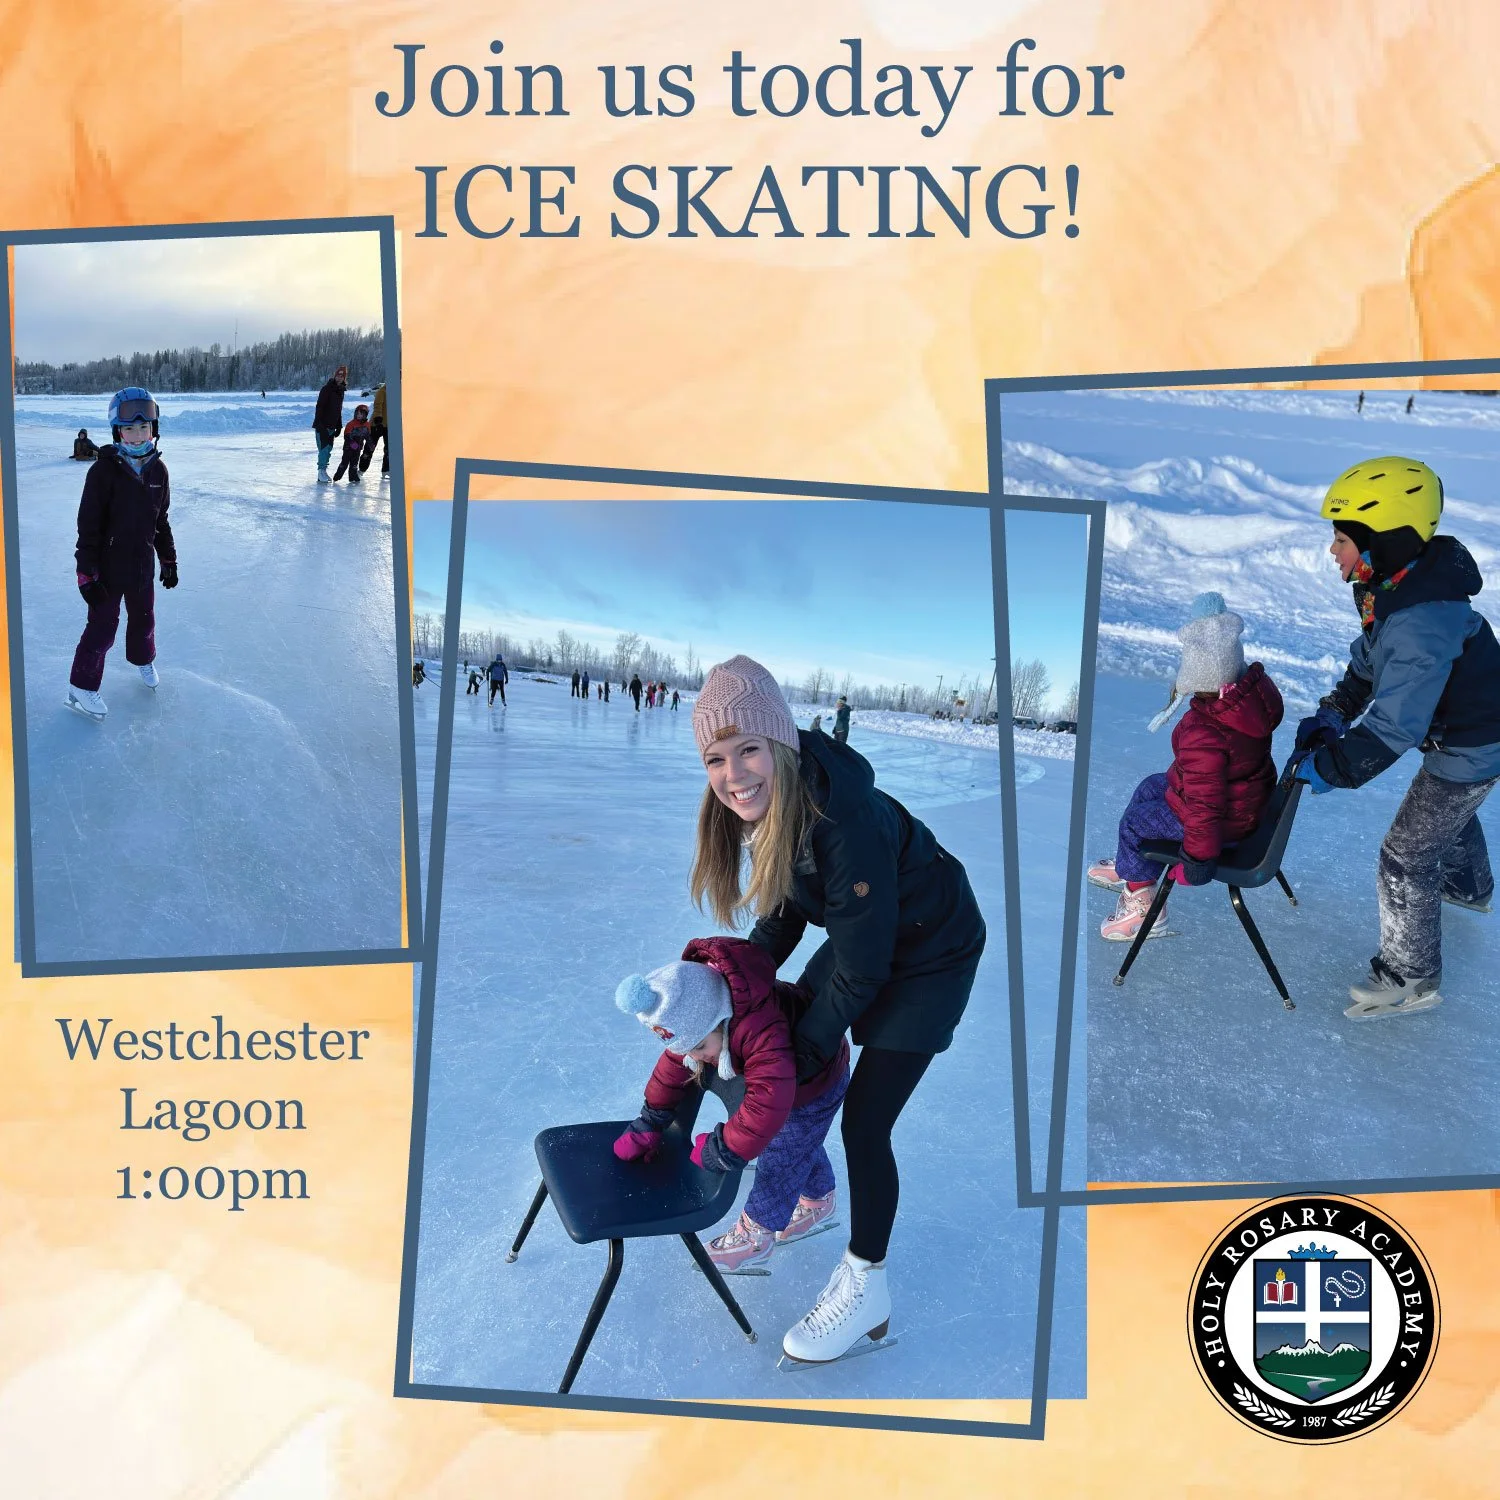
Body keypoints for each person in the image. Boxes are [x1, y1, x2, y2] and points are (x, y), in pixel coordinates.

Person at [689, 655, 986, 1363]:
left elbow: (864, 971)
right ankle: (813, 1195)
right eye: (716, 759)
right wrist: (726, 993)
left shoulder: (840, 819)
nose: (735, 775)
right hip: (877, 935)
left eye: (749, 749)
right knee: (795, 1033)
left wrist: (791, 1060)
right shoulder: (787, 799)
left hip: (934, 951)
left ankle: (866, 1287)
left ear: (782, 743)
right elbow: (785, 916)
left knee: (864, 1120)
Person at [1292, 457, 1500, 1019]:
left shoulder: (1421, 621)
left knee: (1406, 855)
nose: (1332, 552)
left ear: (1383, 539)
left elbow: (1394, 729)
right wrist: (1335, 711)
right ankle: (1470, 887)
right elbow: (1370, 661)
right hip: (1469, 732)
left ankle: (1411, 975)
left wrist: (1334, 766)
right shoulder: (1395, 589)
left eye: (1341, 540)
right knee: (1446, 813)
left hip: (1473, 742)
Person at [614, 939, 850, 1273]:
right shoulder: (701, 1019)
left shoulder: (759, 1030)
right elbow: (673, 1066)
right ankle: (820, 1197)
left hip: (815, 1082)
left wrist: (725, 1149)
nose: (695, 1057)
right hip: (787, 1081)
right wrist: (650, 1120)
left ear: (719, 1019)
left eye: (699, 1046)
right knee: (800, 1143)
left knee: (783, 1151)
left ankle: (757, 1235)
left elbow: (769, 1100)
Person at [1087, 595, 1283, 941]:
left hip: (1223, 823)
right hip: (1245, 803)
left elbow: (1205, 806)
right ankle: (1132, 864)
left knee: (1134, 824)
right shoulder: (1245, 704)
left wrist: (1197, 860)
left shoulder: (1204, 733)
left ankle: (1143, 902)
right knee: (1152, 785)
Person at [68, 388, 177, 719]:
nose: (137, 435)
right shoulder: (102, 472)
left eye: (144, 428)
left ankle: (143, 660)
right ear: (117, 431)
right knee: (102, 627)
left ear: (153, 430)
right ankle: (81, 688)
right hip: (107, 569)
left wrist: (169, 559)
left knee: (144, 619)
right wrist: (86, 573)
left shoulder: (159, 472)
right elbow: (88, 528)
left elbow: (161, 521)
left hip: (142, 566)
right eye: (129, 428)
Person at [312, 364, 347, 483]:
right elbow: (320, 406)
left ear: (344, 378)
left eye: (342, 377)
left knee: (329, 448)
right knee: (324, 448)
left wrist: (339, 425)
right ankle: (320, 471)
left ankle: (324, 470)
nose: (339, 378)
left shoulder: (341, 391)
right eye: (338, 375)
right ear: (335, 376)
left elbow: (338, 410)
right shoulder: (326, 389)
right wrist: (319, 423)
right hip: (322, 425)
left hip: (332, 425)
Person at [333, 404, 370, 482]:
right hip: (348, 448)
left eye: (361, 414)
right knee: (344, 463)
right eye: (358, 413)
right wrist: (353, 444)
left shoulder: (367, 425)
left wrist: (371, 444)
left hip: (358, 448)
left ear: (365, 415)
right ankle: (338, 476)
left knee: (354, 464)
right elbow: (347, 436)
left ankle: (353, 476)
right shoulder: (351, 424)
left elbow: (368, 436)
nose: (359, 415)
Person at [360, 382, 390, 475]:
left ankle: (386, 469)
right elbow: (377, 405)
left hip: (390, 425)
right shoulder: (383, 390)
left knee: (389, 449)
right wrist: (378, 419)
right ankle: (361, 469)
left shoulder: (399, 390)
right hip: (376, 424)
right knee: (369, 448)